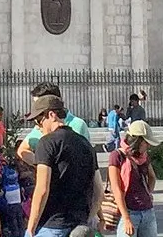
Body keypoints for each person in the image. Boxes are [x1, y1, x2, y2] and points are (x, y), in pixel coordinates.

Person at [23, 94, 96, 237]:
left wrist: (30, 228)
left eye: (39, 121)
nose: (38, 127)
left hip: (53, 224)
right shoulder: (85, 143)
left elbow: (42, 189)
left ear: (51, 115)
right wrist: (89, 217)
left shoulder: (46, 143)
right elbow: (98, 189)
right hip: (79, 224)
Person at [15, 84, 91, 164]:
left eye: (39, 103)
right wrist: (42, 163)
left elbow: (88, 157)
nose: (35, 108)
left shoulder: (78, 124)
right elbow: (22, 150)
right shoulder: (40, 126)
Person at [107, 121, 155, 237]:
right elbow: (116, 189)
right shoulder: (117, 156)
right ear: (137, 141)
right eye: (146, 142)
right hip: (129, 212)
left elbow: (152, 177)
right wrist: (126, 218)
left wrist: (148, 192)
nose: (148, 146)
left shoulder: (143, 156)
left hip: (147, 211)